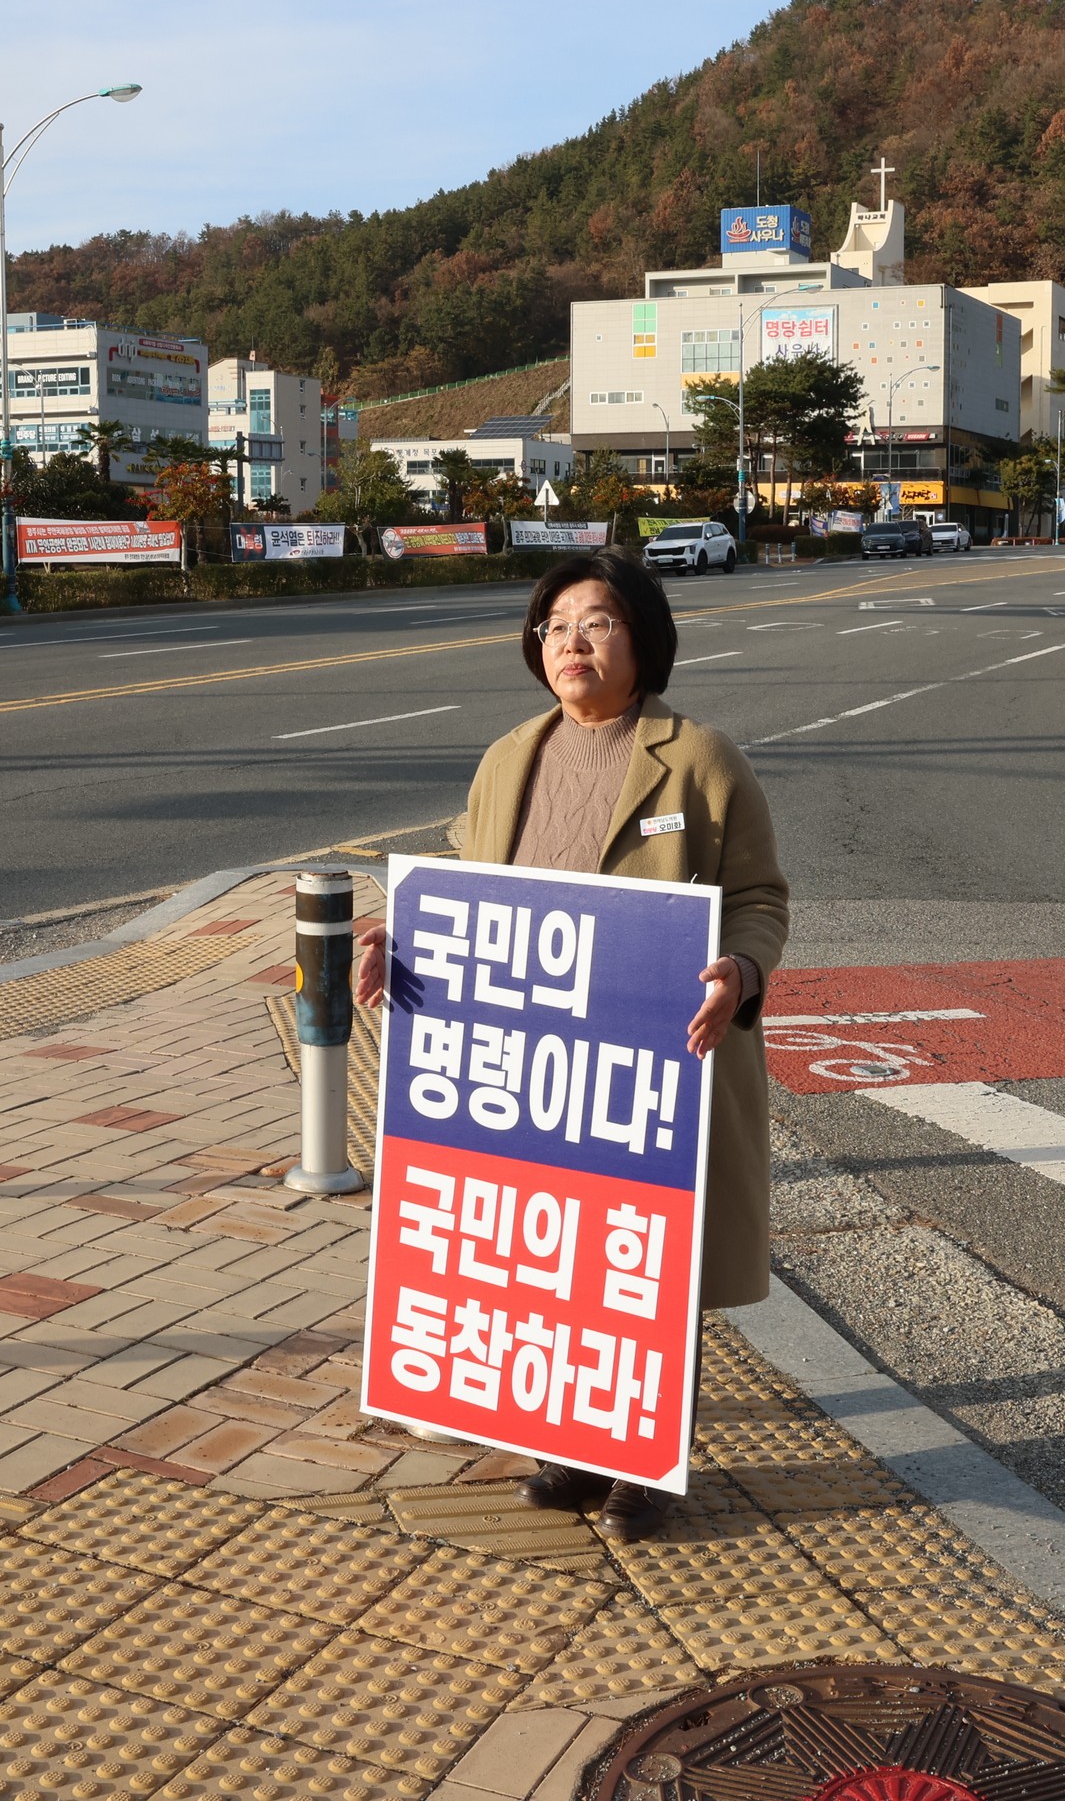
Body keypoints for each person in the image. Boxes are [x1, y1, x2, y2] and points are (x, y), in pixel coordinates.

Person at [356, 551, 790, 1541]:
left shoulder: (700, 757)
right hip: (536, 1063)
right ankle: (564, 1447)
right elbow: (468, 884)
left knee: (649, 1262)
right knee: (552, 1259)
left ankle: (643, 1463)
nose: (571, 641)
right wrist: (400, 937)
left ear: (643, 637)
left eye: (596, 621)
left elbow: (762, 895)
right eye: (553, 624)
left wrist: (741, 969)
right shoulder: (511, 753)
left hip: (660, 1060)